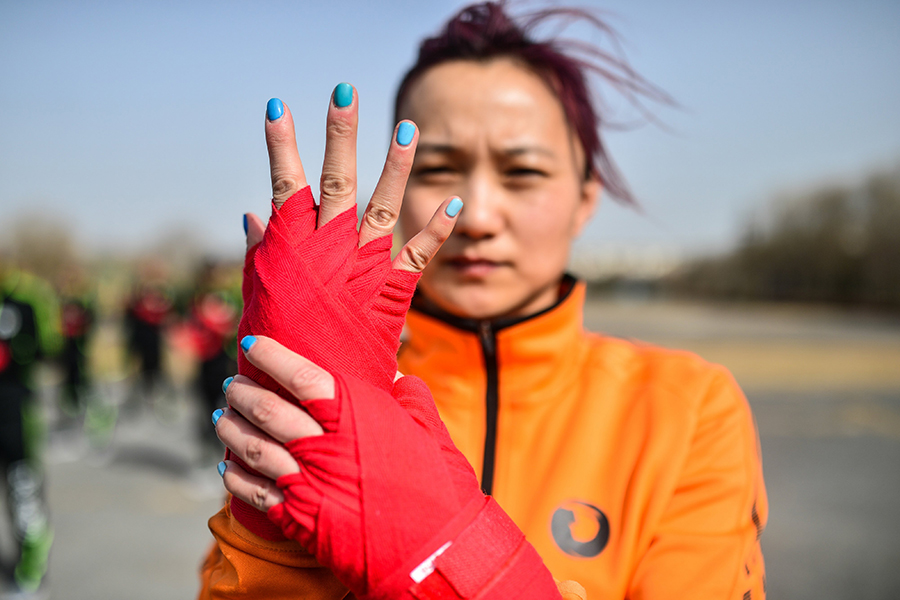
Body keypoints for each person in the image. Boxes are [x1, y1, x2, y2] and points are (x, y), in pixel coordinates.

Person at [199, 3, 767, 599]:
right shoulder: (331, 395)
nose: (480, 216)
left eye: (523, 172)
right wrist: (280, 548)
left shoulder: (689, 410)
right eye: (439, 167)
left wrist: (453, 556)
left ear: (586, 196)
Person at [0, 261, 61, 597]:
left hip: (14, 411)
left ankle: (31, 567)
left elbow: (47, 347)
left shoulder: (24, 300)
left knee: (22, 492)